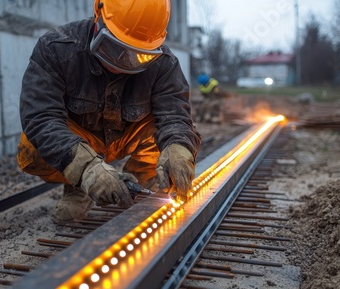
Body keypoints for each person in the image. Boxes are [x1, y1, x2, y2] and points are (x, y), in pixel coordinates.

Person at [16, 0, 201, 225]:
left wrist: (179, 150)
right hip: (80, 141)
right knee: (33, 147)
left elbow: (175, 116)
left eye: (138, 55)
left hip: (125, 138)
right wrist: (87, 170)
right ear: (98, 17)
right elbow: (40, 117)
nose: (123, 62)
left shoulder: (164, 63)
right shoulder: (56, 49)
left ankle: (148, 185)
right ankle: (79, 185)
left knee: (176, 138)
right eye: (114, 48)